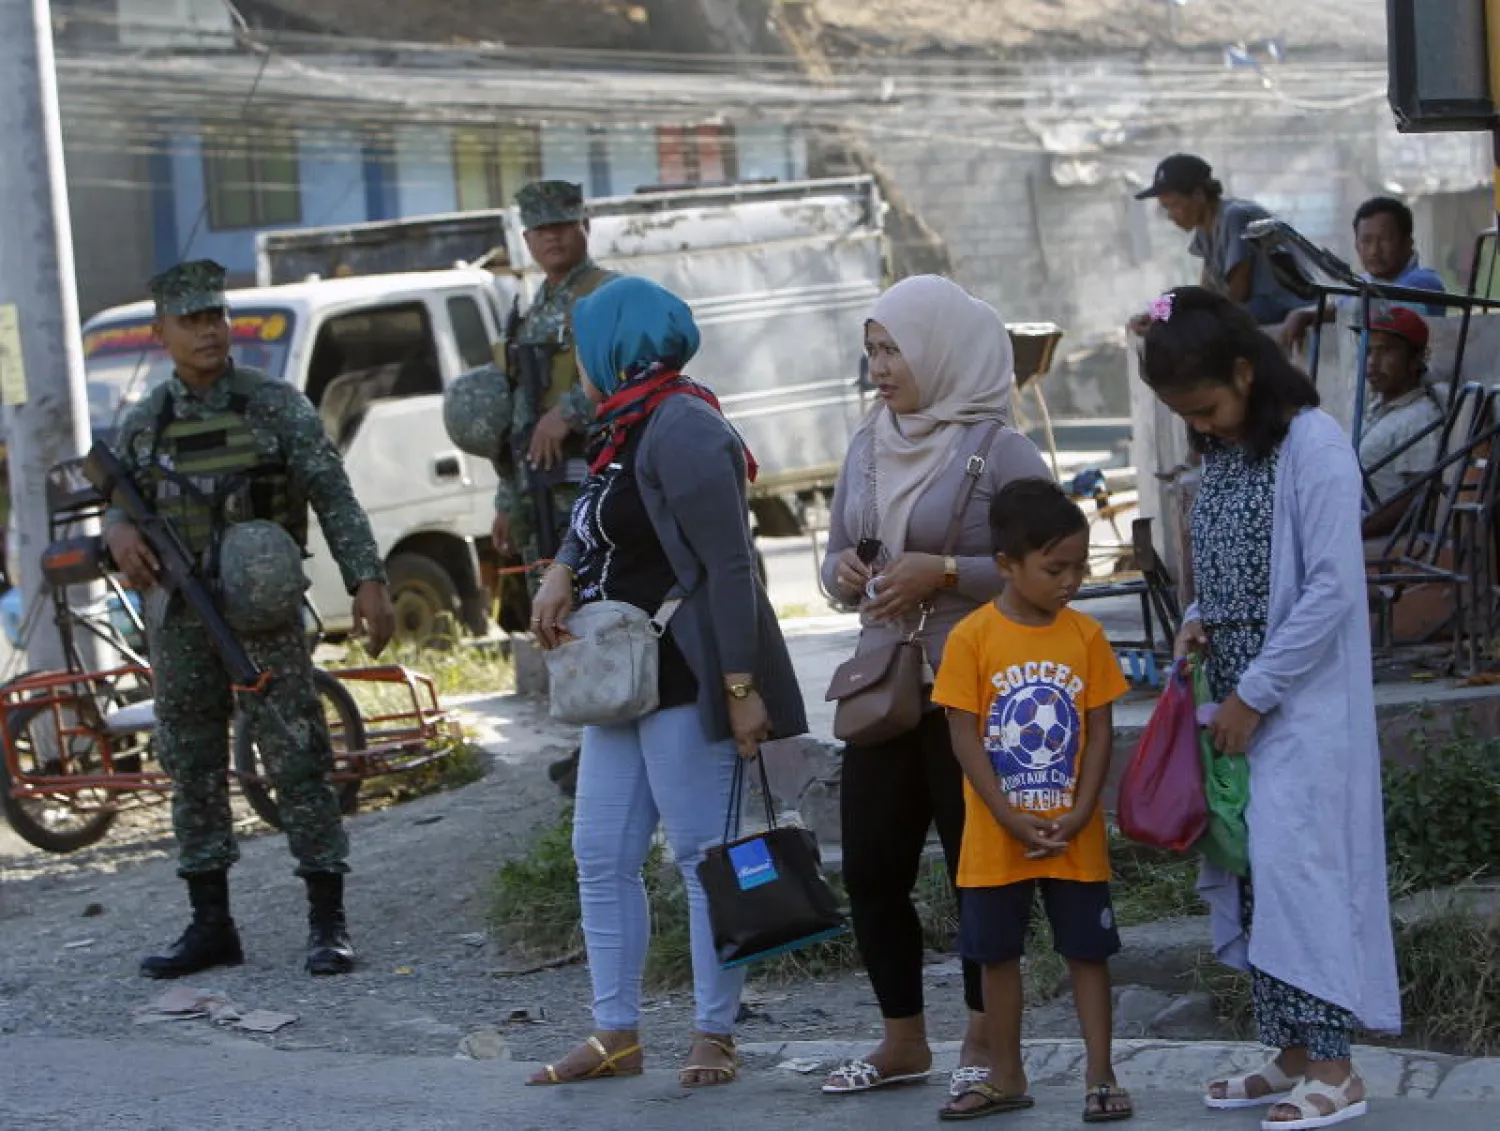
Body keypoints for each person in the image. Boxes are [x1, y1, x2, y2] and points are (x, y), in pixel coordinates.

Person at [527, 276, 807, 1089]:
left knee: (700, 855)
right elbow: (599, 525)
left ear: (614, 344)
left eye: (582, 346)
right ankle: (617, 1032)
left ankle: (715, 1033)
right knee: (599, 853)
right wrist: (560, 572)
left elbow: (728, 564)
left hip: (684, 669)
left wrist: (743, 684)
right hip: (616, 673)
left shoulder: (683, 424)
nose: (576, 363)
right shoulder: (622, 422)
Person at [1139, 286, 1400, 1130]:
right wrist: (1193, 625)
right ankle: (1288, 1052)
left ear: (1247, 371)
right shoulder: (1225, 452)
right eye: (1188, 415)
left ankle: (1336, 1067)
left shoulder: (1316, 447)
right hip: (1236, 699)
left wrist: (1255, 693)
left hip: (1293, 699)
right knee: (1256, 876)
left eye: (1208, 406)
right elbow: (1218, 568)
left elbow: (1328, 590)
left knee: (1304, 876)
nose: (1203, 425)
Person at [104, 260, 395, 979]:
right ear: (161, 332)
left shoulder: (273, 404)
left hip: (261, 614)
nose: (208, 329)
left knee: (297, 756)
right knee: (191, 762)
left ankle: (328, 920)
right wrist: (117, 531)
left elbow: (331, 490)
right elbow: (119, 501)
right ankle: (210, 923)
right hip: (178, 616)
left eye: (216, 315)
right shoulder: (146, 422)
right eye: (191, 319)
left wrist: (368, 578)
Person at [818, 275, 1052, 1100]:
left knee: (975, 872)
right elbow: (833, 561)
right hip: (885, 684)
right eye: (872, 350)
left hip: (974, 691)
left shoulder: (1000, 448)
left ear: (941, 352)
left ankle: (988, 1043)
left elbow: (1054, 569)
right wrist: (845, 571)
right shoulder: (867, 442)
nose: (880, 367)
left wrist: (946, 570)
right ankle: (902, 1039)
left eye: (894, 350)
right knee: (873, 867)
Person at [931, 478, 1133, 1123]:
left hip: (1075, 832)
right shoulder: (972, 638)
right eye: (1055, 568)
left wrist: (1081, 809)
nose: (1071, 580)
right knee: (996, 954)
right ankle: (1006, 1074)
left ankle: (1101, 1073)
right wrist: (1006, 814)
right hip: (997, 836)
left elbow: (1100, 729)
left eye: (1080, 566)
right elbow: (963, 739)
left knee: (1087, 951)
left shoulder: (1086, 638)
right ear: (1007, 566)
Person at [495, 179, 619, 798]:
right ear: (526, 238)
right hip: (539, 489)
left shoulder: (609, 294)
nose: (552, 237)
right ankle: (585, 742)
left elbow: (626, 366)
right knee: (551, 615)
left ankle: (609, 733)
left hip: (594, 477)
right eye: (541, 229)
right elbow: (519, 409)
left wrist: (568, 411)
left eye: (562, 225)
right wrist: (505, 498)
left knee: (596, 606)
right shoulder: (530, 308)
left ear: (584, 224)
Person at [1132, 154, 1305, 328]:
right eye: (1165, 208)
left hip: (1282, 307)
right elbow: (1204, 294)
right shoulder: (1205, 229)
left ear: (1199, 194)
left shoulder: (1234, 217)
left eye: (1174, 205)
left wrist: (1175, 318)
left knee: (1195, 328)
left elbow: (1236, 295)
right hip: (1255, 309)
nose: (1170, 216)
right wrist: (1157, 313)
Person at [1281, 196, 1447, 355]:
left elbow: (1376, 311)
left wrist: (1318, 314)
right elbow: (1343, 306)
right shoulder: (1366, 282)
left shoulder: (1424, 282)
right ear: (1357, 246)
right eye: (1367, 241)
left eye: (1385, 239)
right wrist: (1304, 314)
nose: (1374, 250)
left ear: (1408, 243)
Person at [1356, 308, 1445, 538]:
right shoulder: (1377, 407)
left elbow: (1418, 498)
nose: (1372, 363)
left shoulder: (1418, 417)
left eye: (1385, 351)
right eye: (1368, 351)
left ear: (1415, 360)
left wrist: (1354, 532)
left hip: (1379, 534)